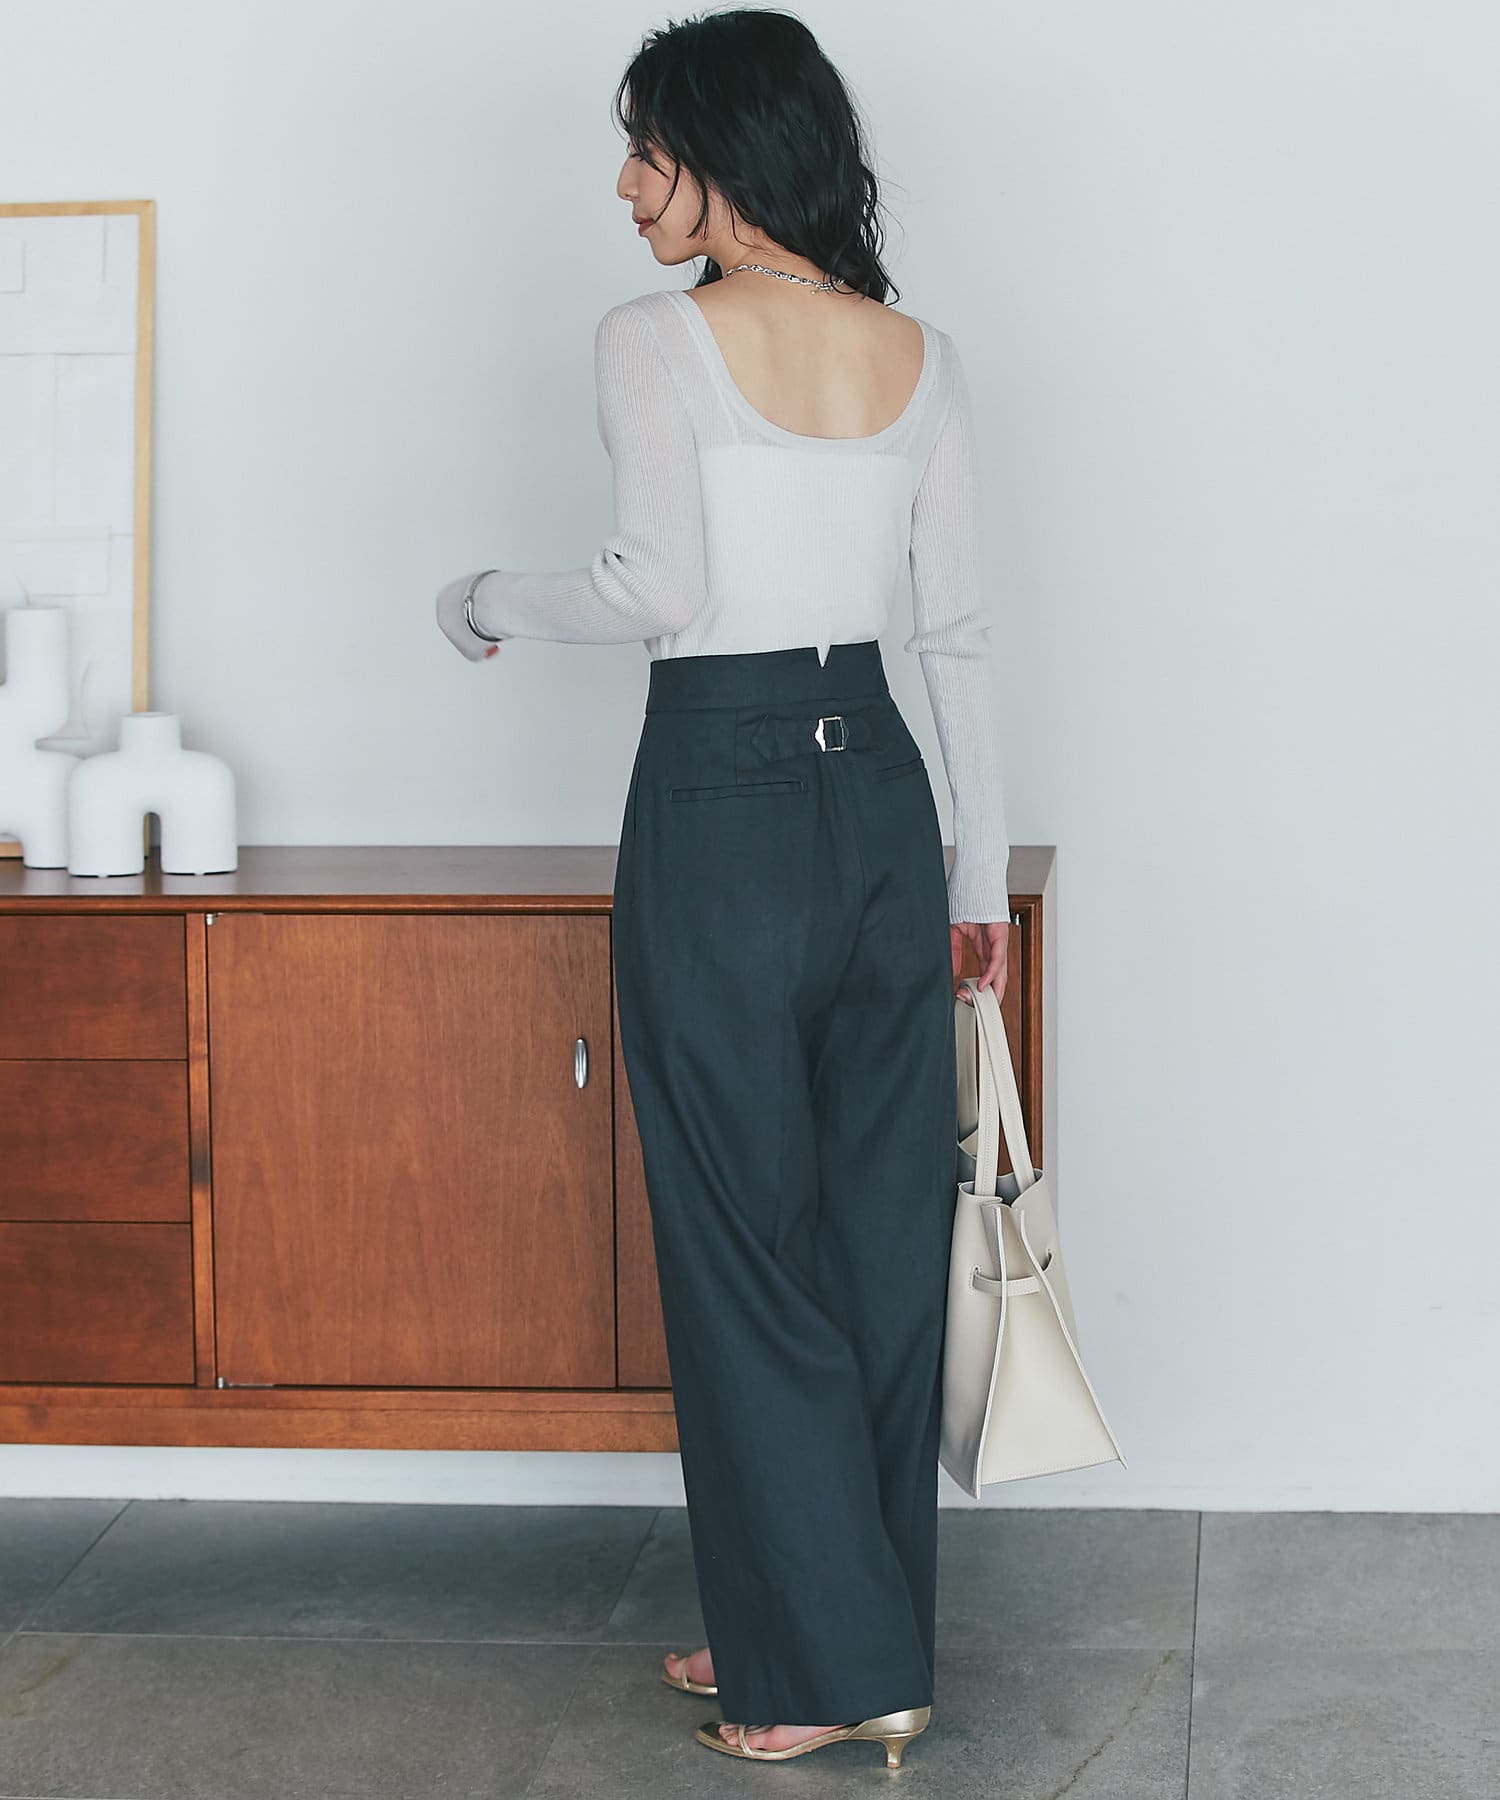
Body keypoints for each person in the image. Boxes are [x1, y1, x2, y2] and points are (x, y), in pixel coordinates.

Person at [434, 8, 1010, 1770]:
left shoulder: (653, 339)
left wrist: (481, 599)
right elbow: (959, 635)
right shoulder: (917, 351)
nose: (626, 188)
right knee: (876, 1234)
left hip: (723, 796)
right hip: (887, 801)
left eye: (649, 151)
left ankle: (811, 1668)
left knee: (740, 1238)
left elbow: (656, 587)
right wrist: (980, 884)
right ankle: (845, 1635)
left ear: (727, 155)